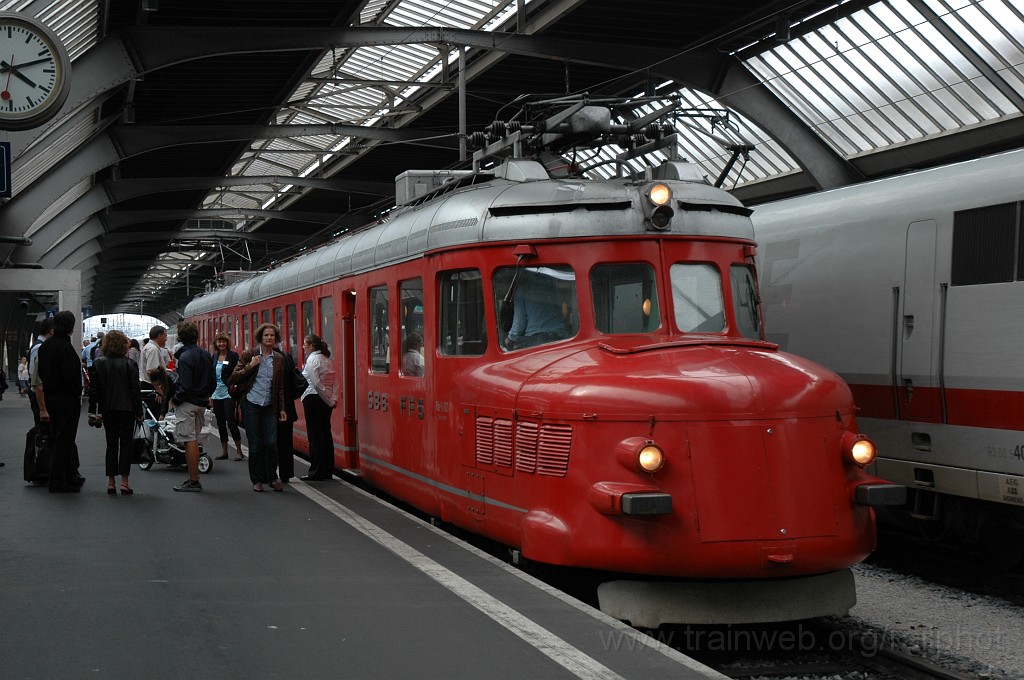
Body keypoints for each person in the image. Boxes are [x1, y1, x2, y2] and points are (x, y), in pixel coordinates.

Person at [230, 323, 286, 492]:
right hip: (251, 403)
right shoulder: (250, 354)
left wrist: (282, 408)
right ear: (260, 338)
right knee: (255, 444)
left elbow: (280, 386)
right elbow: (234, 376)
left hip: (270, 405)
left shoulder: (279, 359)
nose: (269, 338)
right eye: (266, 335)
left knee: (271, 443)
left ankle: (272, 477)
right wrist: (250, 366)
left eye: (272, 336)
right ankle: (257, 479)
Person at [36, 310, 84, 493]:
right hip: (67, 400)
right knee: (65, 439)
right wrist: (76, 392)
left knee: (57, 436)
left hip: (50, 397)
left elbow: (41, 373)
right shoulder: (66, 348)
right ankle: (57, 481)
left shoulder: (45, 346)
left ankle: (69, 475)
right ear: (71, 328)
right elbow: (71, 377)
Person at [92, 330, 143, 495]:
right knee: (126, 445)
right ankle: (125, 483)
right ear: (123, 345)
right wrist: (139, 411)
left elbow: (94, 391)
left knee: (111, 444)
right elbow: (135, 390)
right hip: (127, 409)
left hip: (108, 409)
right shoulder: (130, 364)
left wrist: (94, 412)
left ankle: (111, 482)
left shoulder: (98, 363)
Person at [170, 321, 215, 493]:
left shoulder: (184, 357)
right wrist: (205, 396)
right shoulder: (205, 354)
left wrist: (175, 398)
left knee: (189, 441)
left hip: (187, 404)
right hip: (201, 403)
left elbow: (185, 385)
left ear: (181, 338)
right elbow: (212, 381)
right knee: (194, 439)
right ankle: (193, 478)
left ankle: (194, 480)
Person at [299, 334, 338, 481]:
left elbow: (315, 383)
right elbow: (334, 382)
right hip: (325, 400)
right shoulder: (327, 360)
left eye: (304, 344)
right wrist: (332, 399)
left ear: (311, 346)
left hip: (313, 399)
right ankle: (327, 470)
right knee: (325, 435)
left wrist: (327, 400)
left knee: (315, 437)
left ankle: (315, 471)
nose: (303, 347)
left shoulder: (312, 360)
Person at [504, 271, 570, 349]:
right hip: (560, 336)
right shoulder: (551, 286)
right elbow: (562, 311)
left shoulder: (522, 290)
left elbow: (519, 325)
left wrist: (509, 339)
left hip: (536, 340)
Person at [209, 333, 244, 461]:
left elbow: (239, 371)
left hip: (228, 392)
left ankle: (239, 451)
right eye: (219, 342)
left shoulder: (233, 356)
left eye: (223, 342)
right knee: (220, 423)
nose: (221, 344)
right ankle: (224, 451)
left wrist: (234, 385)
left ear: (227, 343)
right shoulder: (214, 356)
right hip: (216, 393)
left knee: (231, 421)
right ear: (216, 344)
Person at [277, 349, 301, 482]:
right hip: (287, 405)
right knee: (285, 442)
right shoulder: (286, 356)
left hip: (269, 407)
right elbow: (296, 381)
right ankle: (285, 474)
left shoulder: (258, 356)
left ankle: (271, 473)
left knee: (269, 442)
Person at [28, 317, 54, 426]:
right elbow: (36, 378)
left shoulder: (41, 345)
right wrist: (43, 408)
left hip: (40, 394)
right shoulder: (39, 347)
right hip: (39, 395)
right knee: (42, 428)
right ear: (51, 331)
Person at [140, 325, 169, 419]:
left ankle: (149, 433)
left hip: (149, 384)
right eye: (165, 336)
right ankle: (151, 433)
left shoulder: (149, 347)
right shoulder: (153, 349)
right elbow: (151, 371)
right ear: (159, 335)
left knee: (151, 413)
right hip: (152, 386)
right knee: (154, 415)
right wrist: (158, 390)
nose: (166, 339)